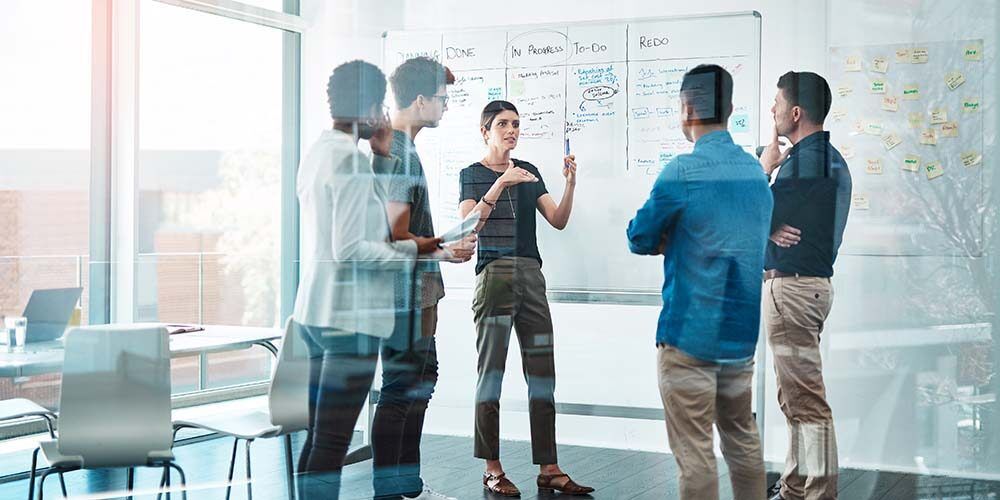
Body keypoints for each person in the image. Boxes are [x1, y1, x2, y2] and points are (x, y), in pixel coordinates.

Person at [291, 59, 444, 500]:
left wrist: (379, 157)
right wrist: (421, 247)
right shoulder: (351, 166)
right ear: (370, 105)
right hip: (349, 322)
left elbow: (350, 228)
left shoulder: (320, 153)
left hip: (314, 315)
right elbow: (355, 249)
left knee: (320, 442)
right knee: (333, 444)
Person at [626, 64, 772, 500]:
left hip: (689, 336)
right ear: (728, 109)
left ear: (687, 108)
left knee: (695, 454)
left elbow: (639, 236)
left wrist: (672, 236)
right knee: (742, 441)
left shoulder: (682, 173)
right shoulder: (755, 175)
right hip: (740, 339)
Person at [458, 100, 593, 497]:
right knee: (491, 375)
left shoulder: (530, 172)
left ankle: (549, 467)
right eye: (503, 124)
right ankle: (492, 467)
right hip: (494, 278)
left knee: (541, 374)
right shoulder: (472, 175)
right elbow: (469, 225)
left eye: (516, 124)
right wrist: (500, 183)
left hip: (531, 278)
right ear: (486, 131)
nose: (512, 130)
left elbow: (559, 219)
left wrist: (570, 184)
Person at [368, 56, 474, 500]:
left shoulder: (401, 148)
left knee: (420, 380)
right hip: (400, 298)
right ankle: (389, 494)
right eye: (442, 100)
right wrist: (445, 250)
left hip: (414, 294)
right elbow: (390, 238)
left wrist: (442, 242)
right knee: (400, 391)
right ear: (419, 100)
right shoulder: (395, 153)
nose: (446, 107)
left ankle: (408, 489)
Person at [758, 71, 852, 500]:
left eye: (777, 104)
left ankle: (817, 493)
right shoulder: (823, 159)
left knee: (807, 404)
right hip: (805, 288)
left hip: (793, 291)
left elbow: (751, 213)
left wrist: (765, 169)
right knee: (796, 398)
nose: (772, 111)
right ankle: (795, 487)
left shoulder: (806, 162)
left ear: (795, 113)